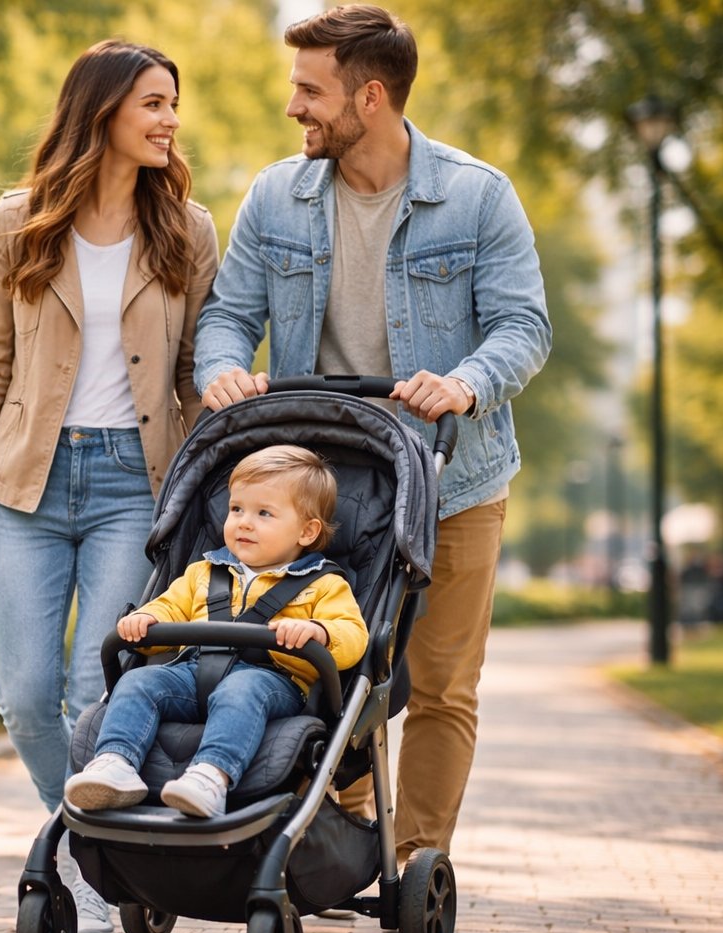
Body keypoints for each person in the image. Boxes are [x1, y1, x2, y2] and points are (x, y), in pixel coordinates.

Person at [193, 5, 551, 866]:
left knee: (437, 687)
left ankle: (411, 863)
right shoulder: (277, 194)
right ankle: (346, 835)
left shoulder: (476, 196)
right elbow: (227, 315)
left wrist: (464, 382)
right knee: (333, 668)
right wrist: (221, 369)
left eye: (310, 91)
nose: (294, 108)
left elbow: (522, 327)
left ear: (373, 97)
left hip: (453, 481)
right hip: (328, 486)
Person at [0, 40, 220, 933]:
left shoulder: (189, 229)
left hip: (135, 486)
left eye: (173, 103)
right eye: (153, 103)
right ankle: (96, 846)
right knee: (23, 692)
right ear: (99, 111)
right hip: (25, 481)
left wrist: (207, 492)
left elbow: (193, 374)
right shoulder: (18, 223)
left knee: (93, 683)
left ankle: (92, 867)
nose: (170, 120)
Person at [65, 445, 368, 818]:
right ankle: (115, 764)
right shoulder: (204, 573)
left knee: (241, 690)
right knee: (137, 684)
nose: (243, 522)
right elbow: (170, 606)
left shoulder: (322, 584)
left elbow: (353, 635)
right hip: (193, 672)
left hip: (272, 681)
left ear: (307, 531)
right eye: (236, 509)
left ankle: (211, 776)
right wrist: (146, 619)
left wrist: (317, 631)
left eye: (264, 513)